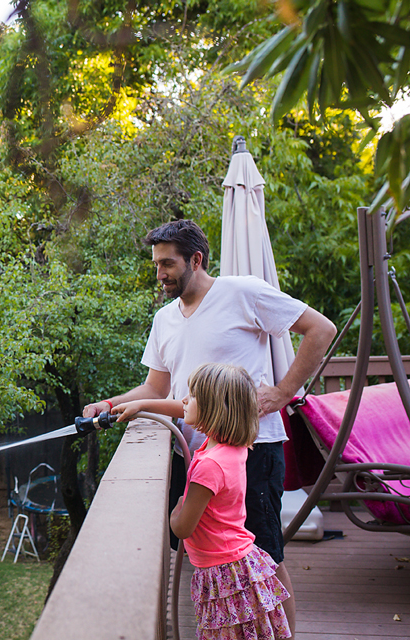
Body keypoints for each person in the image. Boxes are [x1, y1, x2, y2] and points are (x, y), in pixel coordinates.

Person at [83, 219, 336, 638]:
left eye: (167, 263)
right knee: (219, 558)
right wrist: (109, 404)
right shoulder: (164, 319)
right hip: (198, 455)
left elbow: (321, 329)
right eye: (156, 265)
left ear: (195, 260)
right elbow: (156, 386)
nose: (160, 274)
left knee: (266, 557)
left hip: (251, 453)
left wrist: (284, 391)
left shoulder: (242, 292)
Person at [122, 363, 292, 639]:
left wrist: (176, 508)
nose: (184, 400)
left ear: (215, 407)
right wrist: (140, 404)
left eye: (192, 395)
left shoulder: (209, 464)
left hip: (223, 572)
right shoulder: (231, 449)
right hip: (238, 562)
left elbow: (182, 529)